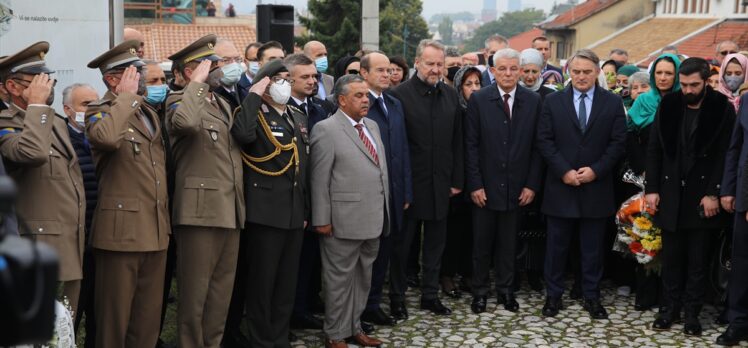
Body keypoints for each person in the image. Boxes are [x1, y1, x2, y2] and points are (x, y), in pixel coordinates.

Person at [86, 39, 170, 347]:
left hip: (155, 229)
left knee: (146, 321)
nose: (143, 78)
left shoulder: (147, 112)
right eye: (135, 73)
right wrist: (125, 99)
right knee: (114, 322)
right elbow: (106, 139)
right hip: (120, 235)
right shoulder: (100, 111)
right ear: (112, 79)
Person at [164, 34, 245, 348]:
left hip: (229, 209)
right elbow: (185, 124)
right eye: (212, 63)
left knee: (219, 296)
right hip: (199, 213)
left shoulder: (222, 102)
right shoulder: (178, 100)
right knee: (194, 297)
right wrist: (195, 84)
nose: (220, 68)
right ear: (190, 72)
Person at [645, 57, 736, 336]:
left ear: (706, 81)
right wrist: (652, 189)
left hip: (702, 197)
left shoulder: (721, 108)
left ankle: (692, 314)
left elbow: (725, 155)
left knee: (698, 261)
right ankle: (668, 309)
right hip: (671, 193)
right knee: (671, 259)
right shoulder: (670, 104)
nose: (687, 90)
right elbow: (655, 149)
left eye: (693, 85)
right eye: (683, 84)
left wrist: (714, 192)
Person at [536, 48, 626, 320]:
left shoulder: (611, 103)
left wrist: (596, 171)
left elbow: (618, 142)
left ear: (597, 72)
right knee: (556, 247)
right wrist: (564, 171)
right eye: (576, 71)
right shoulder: (553, 102)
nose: (581, 76)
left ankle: (592, 296)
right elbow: (544, 140)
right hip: (561, 186)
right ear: (568, 72)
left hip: (595, 187)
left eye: (587, 71)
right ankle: (553, 297)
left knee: (592, 248)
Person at [0, 42, 86, 316]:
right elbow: (31, 153)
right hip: (36, 247)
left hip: (69, 242)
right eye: (39, 81)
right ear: (13, 87)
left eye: (50, 80)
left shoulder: (54, 120)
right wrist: (36, 104)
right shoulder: (5, 122)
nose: (48, 87)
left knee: (65, 330)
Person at [231, 59, 309, 348]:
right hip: (265, 213)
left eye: (287, 78)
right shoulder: (253, 113)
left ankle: (279, 336)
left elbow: (304, 167)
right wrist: (253, 96)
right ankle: (262, 339)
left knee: (286, 283)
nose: (285, 84)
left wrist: (306, 210)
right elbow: (243, 135)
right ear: (264, 83)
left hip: (293, 212)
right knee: (263, 283)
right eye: (278, 79)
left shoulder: (297, 116)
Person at [310, 74, 388, 348]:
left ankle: (354, 327)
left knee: (362, 279)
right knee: (338, 281)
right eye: (358, 95)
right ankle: (334, 333)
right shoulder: (326, 129)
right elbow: (319, 178)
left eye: (366, 95)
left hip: (373, 218)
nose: (365, 100)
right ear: (342, 100)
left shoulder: (372, 126)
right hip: (341, 221)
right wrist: (322, 219)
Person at [389, 39, 463, 318]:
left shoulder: (452, 95)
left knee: (435, 244)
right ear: (417, 63)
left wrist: (457, 180)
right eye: (430, 63)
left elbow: (458, 141)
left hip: (441, 183)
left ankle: (430, 295)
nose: (435, 69)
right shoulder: (399, 96)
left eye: (439, 64)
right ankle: (397, 297)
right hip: (410, 185)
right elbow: (396, 147)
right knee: (402, 246)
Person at [465, 48, 542, 314]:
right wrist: (475, 184)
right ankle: (480, 293)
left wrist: (531, 184)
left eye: (513, 68)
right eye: (503, 69)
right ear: (494, 71)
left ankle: (506, 291)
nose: (508, 74)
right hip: (484, 187)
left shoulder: (532, 101)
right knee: (481, 245)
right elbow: (471, 145)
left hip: (517, 187)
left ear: (520, 70)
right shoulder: (479, 100)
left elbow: (537, 147)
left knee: (509, 245)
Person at [358, 52, 412, 328]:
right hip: (368, 194)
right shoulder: (358, 104)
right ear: (364, 74)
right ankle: (358, 308)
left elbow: (402, 150)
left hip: (394, 191)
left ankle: (374, 303)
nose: (387, 75)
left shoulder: (394, 103)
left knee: (386, 251)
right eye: (380, 70)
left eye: (389, 70)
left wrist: (405, 191)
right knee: (366, 255)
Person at [283, 53, 327, 331]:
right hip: (291, 194)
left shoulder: (321, 107)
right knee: (294, 260)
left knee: (312, 255)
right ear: (289, 79)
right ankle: (294, 310)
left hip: (317, 190)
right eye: (305, 77)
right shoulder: (281, 107)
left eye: (314, 76)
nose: (312, 81)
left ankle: (309, 301)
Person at [61, 83, 99, 348]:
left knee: (99, 311)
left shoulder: (100, 136)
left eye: (95, 103)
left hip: (102, 235)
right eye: (86, 104)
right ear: (67, 109)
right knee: (71, 311)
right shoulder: (63, 140)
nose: (92, 109)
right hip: (75, 240)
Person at [441, 64, 481, 299]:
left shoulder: (485, 109)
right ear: (459, 87)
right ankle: (446, 275)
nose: (474, 89)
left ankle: (468, 274)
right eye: (468, 84)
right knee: (452, 232)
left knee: (472, 232)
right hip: (456, 180)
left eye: (478, 84)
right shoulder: (454, 110)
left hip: (477, 181)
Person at [718, 93, 748, 346]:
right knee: (741, 263)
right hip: (743, 197)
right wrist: (728, 189)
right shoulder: (747, 100)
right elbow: (736, 147)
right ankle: (738, 320)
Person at [212, 38, 248, 109]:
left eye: (237, 59)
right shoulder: (209, 95)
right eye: (226, 60)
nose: (234, 64)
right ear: (212, 64)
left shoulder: (245, 92)